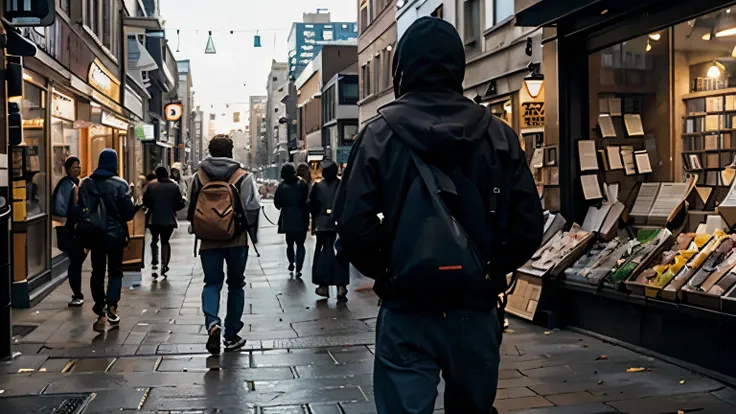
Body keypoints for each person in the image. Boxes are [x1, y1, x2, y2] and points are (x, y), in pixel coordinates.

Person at [333, 17, 543, 414]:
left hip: (407, 306)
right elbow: (528, 224)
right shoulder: (498, 135)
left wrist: (390, 270)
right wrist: (490, 268)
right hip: (475, 305)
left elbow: (352, 225)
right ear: (458, 66)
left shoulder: (378, 135)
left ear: (401, 69)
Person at [188, 135, 256, 355]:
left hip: (208, 239)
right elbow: (252, 206)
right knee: (236, 284)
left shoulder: (198, 176)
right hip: (236, 239)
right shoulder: (242, 176)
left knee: (211, 283)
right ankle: (231, 334)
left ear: (210, 150)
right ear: (231, 151)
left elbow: (191, 207)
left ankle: (212, 323)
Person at [78, 149, 136, 332]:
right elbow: (128, 214)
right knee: (115, 271)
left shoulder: (86, 183)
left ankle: (99, 308)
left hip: (94, 234)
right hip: (115, 235)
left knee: (97, 271)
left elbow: (81, 207)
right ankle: (112, 305)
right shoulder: (121, 185)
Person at [309, 159, 349, 301]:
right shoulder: (342, 186)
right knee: (340, 256)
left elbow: (311, 206)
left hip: (322, 226)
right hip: (339, 226)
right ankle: (341, 286)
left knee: (323, 256)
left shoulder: (317, 187)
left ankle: (323, 286)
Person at [51, 156, 86, 307]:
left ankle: (77, 293)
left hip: (74, 229)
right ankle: (77, 294)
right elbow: (62, 208)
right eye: (74, 167)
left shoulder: (76, 183)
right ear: (67, 169)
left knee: (76, 261)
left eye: (78, 167)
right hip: (68, 229)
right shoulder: (67, 185)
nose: (77, 170)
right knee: (75, 261)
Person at [143, 166, 186, 279]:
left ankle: (154, 260)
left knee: (154, 240)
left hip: (154, 219)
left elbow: (146, 202)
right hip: (169, 219)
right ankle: (164, 264)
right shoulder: (174, 186)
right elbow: (178, 205)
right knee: (165, 242)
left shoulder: (151, 186)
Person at [274, 163, 309, 278]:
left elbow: (277, 203)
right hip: (301, 216)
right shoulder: (302, 183)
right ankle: (299, 267)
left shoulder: (281, 186)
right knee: (300, 244)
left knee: (289, 243)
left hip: (287, 218)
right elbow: (307, 200)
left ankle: (291, 262)